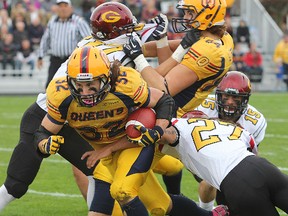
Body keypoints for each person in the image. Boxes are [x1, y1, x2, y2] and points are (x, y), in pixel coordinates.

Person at [0, 2, 181, 214]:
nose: (131, 33)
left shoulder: (94, 44)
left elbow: (143, 48)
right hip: (49, 115)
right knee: (16, 184)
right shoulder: (111, 59)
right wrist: (185, 45)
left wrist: (180, 44)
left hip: (78, 117)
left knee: (99, 170)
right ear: (113, 33)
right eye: (126, 30)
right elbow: (161, 87)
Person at [34, 46, 229, 216]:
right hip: (103, 156)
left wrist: (158, 130)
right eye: (79, 85)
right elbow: (42, 132)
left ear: (106, 78)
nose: (84, 92)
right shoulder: (61, 95)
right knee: (160, 206)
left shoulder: (124, 85)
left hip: (132, 144)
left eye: (91, 85)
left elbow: (164, 100)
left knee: (123, 191)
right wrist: (45, 145)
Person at [155, 112, 288, 216]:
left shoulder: (181, 126)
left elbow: (166, 135)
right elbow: (253, 151)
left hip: (237, 183)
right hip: (265, 168)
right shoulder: (227, 127)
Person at [124, 0, 234, 117]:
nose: (185, 17)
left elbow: (161, 89)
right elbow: (167, 52)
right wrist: (161, 39)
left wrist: (137, 57)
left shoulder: (208, 51)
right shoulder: (223, 38)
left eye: (190, 12)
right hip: (169, 103)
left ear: (208, 15)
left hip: (172, 114)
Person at [194, 71, 267, 210]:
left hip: (232, 157)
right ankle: (205, 210)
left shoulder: (255, 121)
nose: (229, 102)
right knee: (209, 181)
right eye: (226, 96)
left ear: (245, 99)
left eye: (235, 98)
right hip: (200, 151)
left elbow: (250, 155)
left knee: (236, 194)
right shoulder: (202, 107)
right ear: (218, 95)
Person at [37, 0, 90, 89]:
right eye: (60, 6)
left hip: (71, 60)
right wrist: (40, 56)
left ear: (71, 8)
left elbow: (88, 40)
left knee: (72, 86)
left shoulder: (79, 22)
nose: (63, 9)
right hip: (55, 60)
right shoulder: (52, 21)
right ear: (56, 8)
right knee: (50, 87)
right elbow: (46, 39)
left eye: (65, 6)